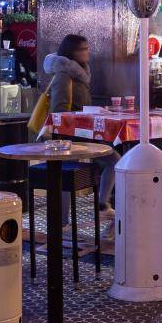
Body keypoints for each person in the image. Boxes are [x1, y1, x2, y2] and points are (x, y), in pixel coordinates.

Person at [41, 34, 118, 233]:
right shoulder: (64, 75)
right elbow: (59, 113)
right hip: (69, 138)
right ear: (71, 53)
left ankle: (101, 205)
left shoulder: (80, 73)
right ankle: (64, 223)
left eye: (87, 48)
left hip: (83, 134)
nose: (87, 52)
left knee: (114, 160)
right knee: (69, 173)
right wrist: (84, 117)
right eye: (82, 49)